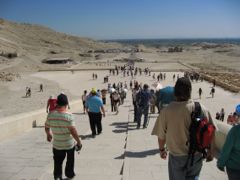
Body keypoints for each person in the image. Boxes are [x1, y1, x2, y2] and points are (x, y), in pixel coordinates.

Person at [152, 77, 215, 180]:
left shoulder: (166, 111)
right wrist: (211, 152)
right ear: (190, 91)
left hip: (176, 157)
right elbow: (211, 131)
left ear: (175, 92)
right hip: (196, 155)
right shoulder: (201, 108)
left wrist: (162, 150)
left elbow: (161, 136)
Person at [45, 93, 82, 180]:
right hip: (69, 144)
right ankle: (69, 174)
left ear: (57, 103)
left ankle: (57, 176)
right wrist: (79, 142)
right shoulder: (69, 116)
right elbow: (73, 131)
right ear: (66, 104)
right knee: (70, 160)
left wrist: (48, 134)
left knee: (57, 161)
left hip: (57, 144)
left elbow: (46, 127)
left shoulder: (50, 115)